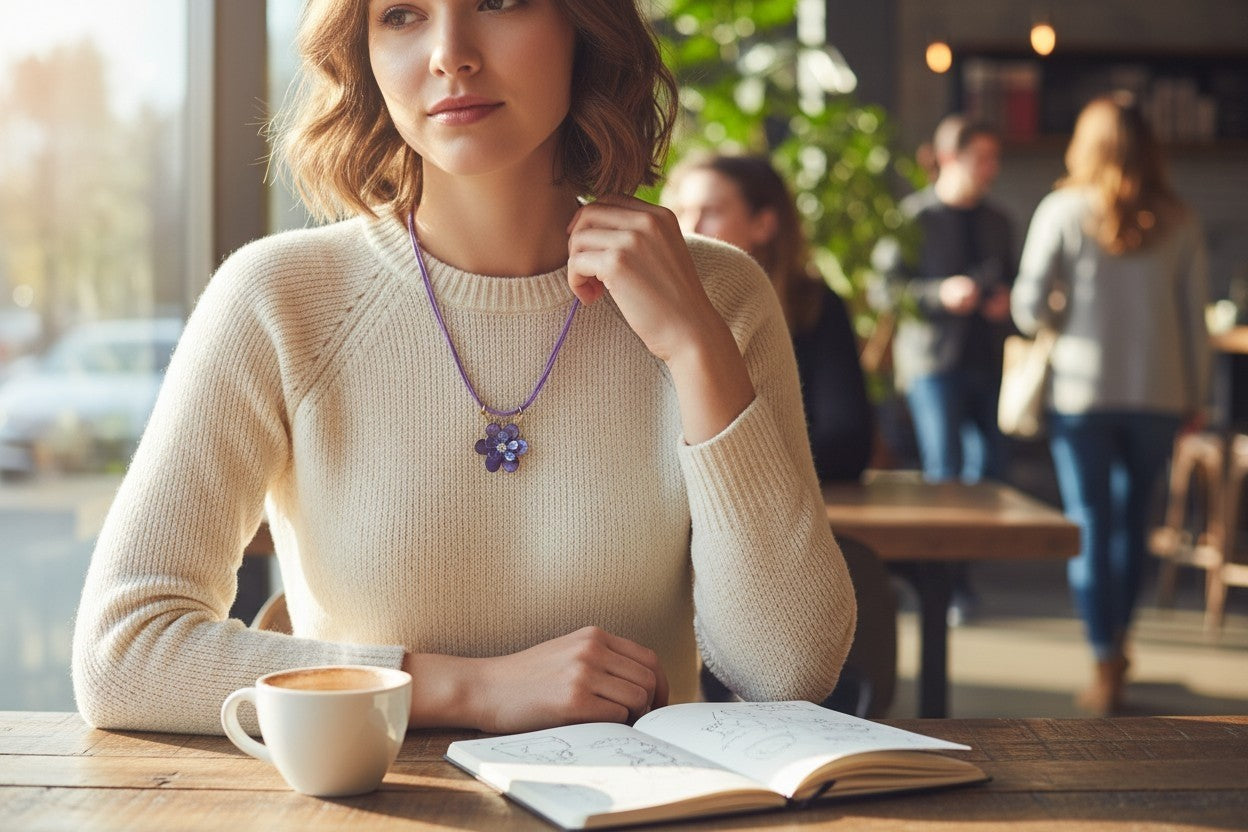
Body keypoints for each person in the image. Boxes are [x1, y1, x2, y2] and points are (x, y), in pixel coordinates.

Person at [70, 0, 855, 735]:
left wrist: (696, 345)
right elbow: (123, 652)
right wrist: (472, 688)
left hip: (648, 807)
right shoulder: (277, 299)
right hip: (372, 806)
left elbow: (788, 669)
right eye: (401, 14)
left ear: (582, 22)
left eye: (498, 0)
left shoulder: (716, 293)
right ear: (363, 54)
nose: (450, 55)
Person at [1011, 92, 1209, 715]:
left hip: (1082, 393)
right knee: (1133, 525)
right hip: (1160, 393)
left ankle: (1104, 660)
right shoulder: (1180, 219)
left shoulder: (1062, 210)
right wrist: (1198, 396)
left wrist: (1062, 309)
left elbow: (1026, 309)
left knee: (1092, 525)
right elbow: (1195, 320)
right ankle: (1119, 644)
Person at [874, 115, 1016, 624]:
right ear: (952, 158)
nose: (992, 168)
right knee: (945, 471)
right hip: (934, 362)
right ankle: (948, 587)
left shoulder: (999, 220)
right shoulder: (914, 218)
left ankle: (959, 573)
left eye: (995, 158)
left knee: (992, 470)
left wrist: (1005, 302)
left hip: (988, 359)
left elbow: (1015, 279)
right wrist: (940, 294)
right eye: (983, 158)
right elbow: (884, 290)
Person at [663, 153, 874, 483]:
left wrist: (729, 465)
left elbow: (848, 442)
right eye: (681, 211)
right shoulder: (653, 306)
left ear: (763, 224)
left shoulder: (814, 304)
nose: (689, 228)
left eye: (711, 212)